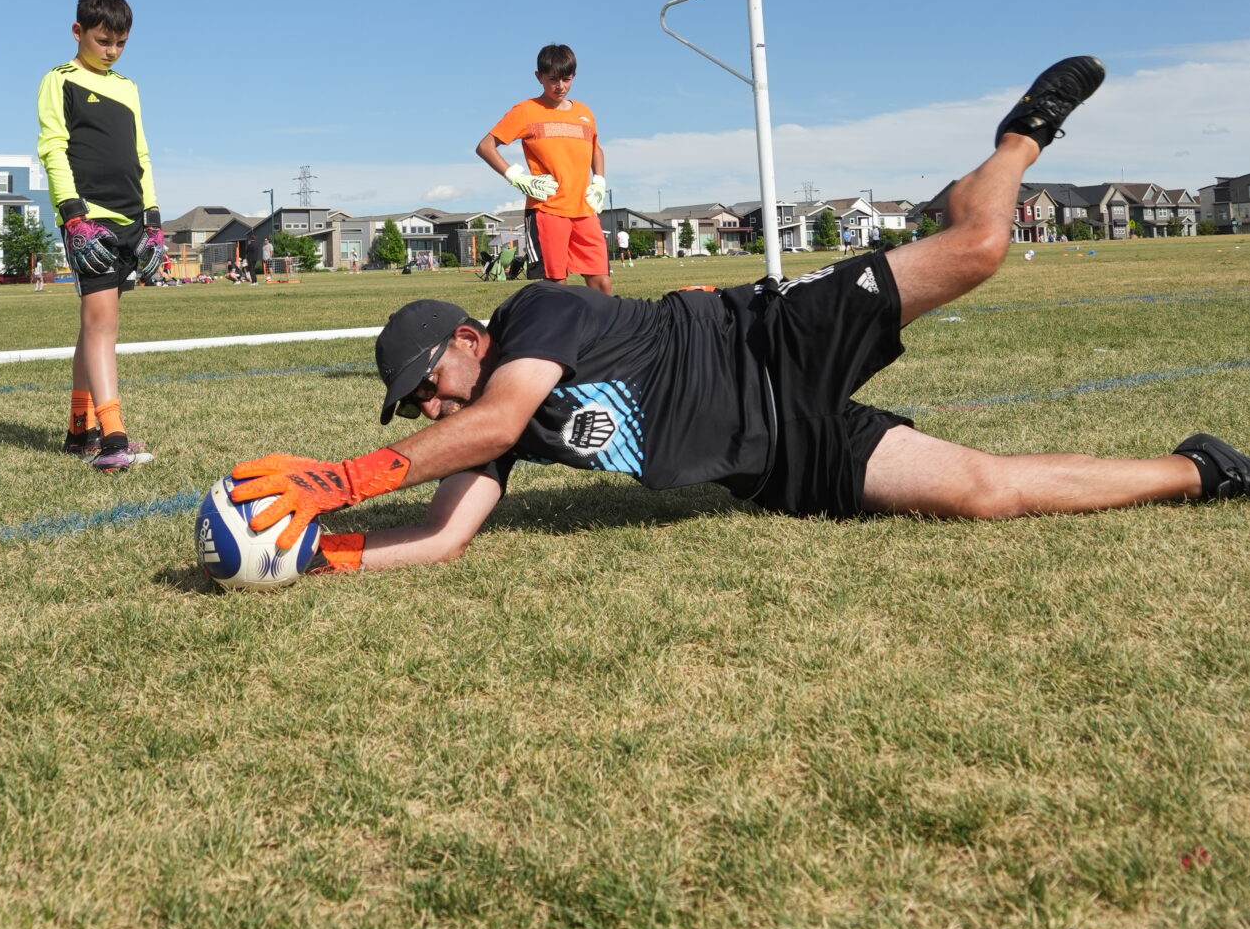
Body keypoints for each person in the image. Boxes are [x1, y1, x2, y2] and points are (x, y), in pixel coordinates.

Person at [225, 57, 1250, 577]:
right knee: (981, 493)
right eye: (412, 405)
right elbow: (445, 537)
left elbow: (488, 420)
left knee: (981, 246)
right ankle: (1203, 468)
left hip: (766, 340)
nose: (425, 408)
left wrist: (347, 479)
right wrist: (314, 553)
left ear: (465, 340)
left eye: (423, 388)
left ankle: (1016, 138)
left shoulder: (531, 311)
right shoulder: (482, 421)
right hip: (769, 457)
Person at [37, 0, 167, 471]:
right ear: (78, 31)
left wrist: (152, 222)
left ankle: (79, 429)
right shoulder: (59, 80)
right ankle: (114, 439)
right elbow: (52, 148)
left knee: (96, 325)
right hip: (89, 221)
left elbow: (142, 155)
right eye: (102, 40)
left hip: (132, 219)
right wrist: (73, 215)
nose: (111, 51)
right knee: (101, 325)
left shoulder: (129, 87)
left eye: (120, 44)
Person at [475, 43, 611, 294]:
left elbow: (596, 149)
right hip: (547, 210)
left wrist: (599, 181)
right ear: (538, 77)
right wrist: (516, 177)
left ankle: (608, 333)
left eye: (566, 79)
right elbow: (485, 147)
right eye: (552, 80)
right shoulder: (526, 111)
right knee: (556, 287)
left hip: (584, 210)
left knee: (601, 281)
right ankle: (561, 333)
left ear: (574, 76)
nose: (560, 86)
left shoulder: (584, 113)